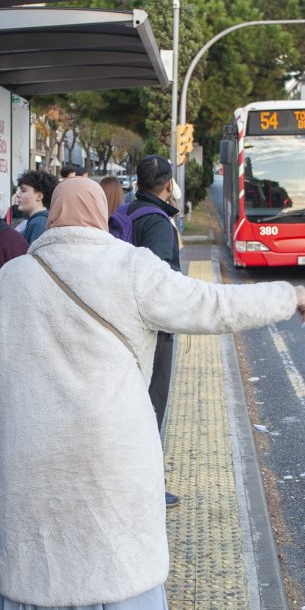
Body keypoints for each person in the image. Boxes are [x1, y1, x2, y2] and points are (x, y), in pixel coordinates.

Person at [0, 178, 305, 610]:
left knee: (39, 568)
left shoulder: (14, 276)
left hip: (32, 463)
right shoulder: (131, 267)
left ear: (53, 214)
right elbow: (212, 304)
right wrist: (287, 296)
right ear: (100, 214)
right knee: (115, 563)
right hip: (111, 457)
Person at [129, 155, 183, 508]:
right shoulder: (158, 222)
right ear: (167, 185)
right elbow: (157, 280)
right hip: (152, 331)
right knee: (151, 408)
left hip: (123, 327)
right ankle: (147, 488)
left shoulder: (126, 213)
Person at [15, 169, 56, 245]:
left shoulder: (39, 223)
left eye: (23, 191)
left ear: (39, 196)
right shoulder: (40, 220)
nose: (18, 195)